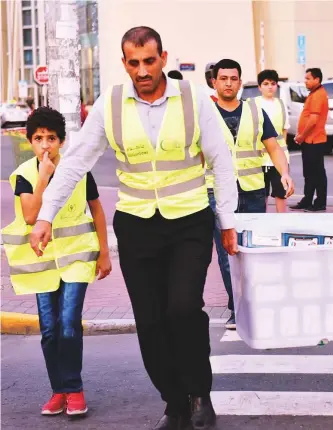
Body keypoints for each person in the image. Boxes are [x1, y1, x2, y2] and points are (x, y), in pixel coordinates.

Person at [29, 27, 238, 430]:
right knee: (151, 318)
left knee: (182, 308)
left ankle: (199, 392)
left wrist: (226, 221)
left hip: (189, 220)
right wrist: (45, 216)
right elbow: (75, 163)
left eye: (149, 61)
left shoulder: (194, 99)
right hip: (138, 223)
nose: (142, 70)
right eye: (133, 63)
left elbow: (221, 161)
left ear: (163, 58)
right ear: (124, 62)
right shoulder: (111, 104)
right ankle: (174, 402)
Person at [1, 107, 112, 416]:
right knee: (49, 330)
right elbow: (31, 215)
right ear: (30, 142)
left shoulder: (77, 170)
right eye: (38, 138)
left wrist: (103, 252)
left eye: (51, 138)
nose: (45, 145)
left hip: (77, 256)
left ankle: (74, 389)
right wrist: (44, 177)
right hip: (42, 264)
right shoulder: (24, 175)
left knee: (68, 324)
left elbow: (98, 209)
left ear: (62, 141)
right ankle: (58, 390)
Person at [206, 58, 294, 329]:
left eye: (233, 78)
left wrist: (284, 173)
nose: (228, 83)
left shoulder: (255, 112)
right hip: (217, 193)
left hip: (253, 190)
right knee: (227, 251)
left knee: (254, 250)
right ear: (215, 82)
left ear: (240, 82)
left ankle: (255, 305)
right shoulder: (205, 113)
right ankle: (237, 307)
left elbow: (274, 147)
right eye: (223, 78)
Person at [291, 67, 329, 212]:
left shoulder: (319, 94)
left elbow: (313, 120)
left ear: (317, 80)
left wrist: (301, 135)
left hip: (315, 141)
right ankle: (307, 200)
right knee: (309, 173)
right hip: (309, 141)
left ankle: (320, 203)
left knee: (317, 173)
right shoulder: (313, 94)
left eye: (308, 79)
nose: (305, 81)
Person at [253, 69, 290, 213]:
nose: (269, 87)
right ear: (259, 86)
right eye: (266, 83)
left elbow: (284, 130)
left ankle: (281, 223)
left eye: (273, 83)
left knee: (281, 192)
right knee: (261, 194)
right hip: (259, 159)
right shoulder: (253, 104)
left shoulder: (280, 104)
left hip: (278, 159)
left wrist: (283, 154)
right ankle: (262, 224)